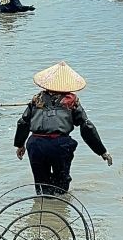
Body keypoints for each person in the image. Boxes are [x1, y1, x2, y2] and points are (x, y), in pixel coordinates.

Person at [14, 62, 113, 195]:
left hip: (36, 145)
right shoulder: (71, 101)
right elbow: (86, 126)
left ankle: (44, 209)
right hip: (60, 146)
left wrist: (20, 145)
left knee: (41, 184)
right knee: (61, 184)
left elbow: (23, 123)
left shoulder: (36, 100)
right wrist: (102, 151)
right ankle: (61, 209)